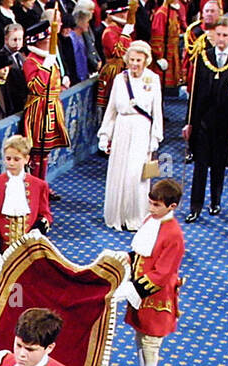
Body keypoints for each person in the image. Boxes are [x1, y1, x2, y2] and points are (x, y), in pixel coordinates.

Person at [115, 178, 184, 366]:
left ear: (171, 207)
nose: (151, 209)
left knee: (150, 348)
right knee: (138, 340)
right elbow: (145, 251)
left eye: (156, 205)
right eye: (151, 203)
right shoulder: (150, 220)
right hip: (140, 297)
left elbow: (162, 273)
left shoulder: (175, 235)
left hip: (155, 300)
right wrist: (128, 256)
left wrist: (131, 288)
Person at [183, 17, 228, 221]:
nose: (220, 39)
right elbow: (195, 95)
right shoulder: (204, 57)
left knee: (219, 165)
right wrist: (189, 122)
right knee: (200, 165)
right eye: (217, 35)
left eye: (225, 35)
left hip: (226, 123)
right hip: (204, 121)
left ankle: (215, 201)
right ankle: (195, 206)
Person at [98, 41, 162, 231]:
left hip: (142, 129)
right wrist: (104, 135)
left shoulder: (153, 79)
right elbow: (111, 110)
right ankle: (117, 217)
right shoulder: (120, 79)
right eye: (131, 60)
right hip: (122, 128)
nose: (134, 64)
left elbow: (156, 111)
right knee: (119, 172)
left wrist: (155, 137)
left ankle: (135, 217)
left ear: (146, 61)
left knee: (137, 174)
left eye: (138, 60)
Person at [0, 134, 51, 282]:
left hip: (29, 252)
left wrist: (38, 230)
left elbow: (45, 215)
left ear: (26, 159)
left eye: (16, 159)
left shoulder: (39, 185)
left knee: (28, 292)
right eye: (8, 159)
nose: (11, 163)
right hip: (2, 253)